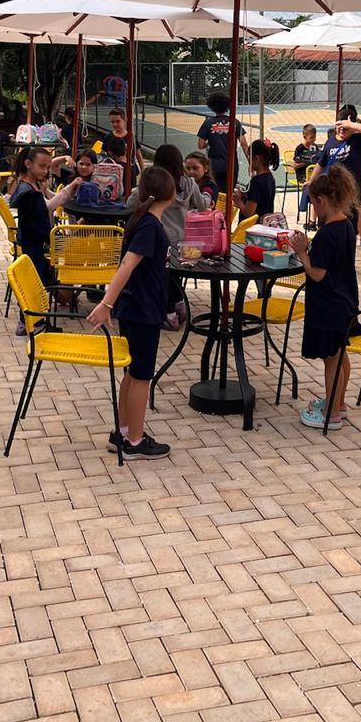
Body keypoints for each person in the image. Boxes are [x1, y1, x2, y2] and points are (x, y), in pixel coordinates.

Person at [88, 166, 175, 461]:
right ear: (170, 194)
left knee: (132, 371)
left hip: (138, 307)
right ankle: (135, 441)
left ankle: (123, 432)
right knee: (141, 376)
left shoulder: (143, 219)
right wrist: (106, 303)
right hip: (141, 310)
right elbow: (127, 264)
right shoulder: (149, 225)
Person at [289, 166, 360, 431]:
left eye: (313, 203)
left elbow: (317, 273)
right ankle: (338, 403)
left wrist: (302, 252)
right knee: (341, 356)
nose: (313, 208)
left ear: (321, 201)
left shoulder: (327, 234)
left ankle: (330, 415)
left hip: (329, 307)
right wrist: (310, 248)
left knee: (331, 360)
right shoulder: (346, 225)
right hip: (346, 302)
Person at [130, 144, 210, 329]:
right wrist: (207, 197)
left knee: (161, 276)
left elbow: (131, 204)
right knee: (175, 274)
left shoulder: (154, 182)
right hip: (184, 240)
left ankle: (169, 314)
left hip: (159, 237)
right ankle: (179, 305)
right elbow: (203, 206)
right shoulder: (189, 183)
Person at [10, 146, 83, 334]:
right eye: (41, 166)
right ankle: (30, 323)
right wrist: (50, 239)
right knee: (35, 283)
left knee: (39, 282)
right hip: (33, 244)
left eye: (47, 167)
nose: (45, 171)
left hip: (36, 242)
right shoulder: (28, 192)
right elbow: (36, 220)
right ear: (28, 164)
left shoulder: (35, 186)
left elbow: (47, 204)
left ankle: (36, 321)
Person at [319, 115, 361, 239]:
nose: (342, 129)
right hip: (332, 190)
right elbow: (320, 163)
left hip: (350, 191)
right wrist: (312, 182)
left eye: (345, 128)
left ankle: (359, 238)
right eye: (339, 126)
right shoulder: (331, 141)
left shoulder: (357, 140)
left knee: (350, 224)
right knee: (330, 223)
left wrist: (351, 125)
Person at [197, 90, 249, 196]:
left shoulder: (208, 123)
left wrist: (210, 141)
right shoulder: (235, 122)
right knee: (229, 193)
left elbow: (200, 145)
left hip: (214, 166)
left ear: (212, 107)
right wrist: (250, 162)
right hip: (231, 165)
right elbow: (244, 144)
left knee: (216, 193)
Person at [234, 140, 279, 220]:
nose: (248, 159)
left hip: (253, 226)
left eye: (249, 156)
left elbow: (249, 212)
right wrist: (245, 194)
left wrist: (238, 201)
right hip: (265, 223)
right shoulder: (270, 177)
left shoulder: (256, 182)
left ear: (257, 159)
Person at [101, 108, 145, 178]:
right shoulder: (108, 138)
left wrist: (143, 171)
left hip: (130, 171)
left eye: (118, 121)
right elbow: (103, 155)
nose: (115, 124)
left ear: (125, 120)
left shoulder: (131, 137)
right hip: (113, 173)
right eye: (112, 122)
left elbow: (138, 155)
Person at [294, 125, 322, 228]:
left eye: (314, 137)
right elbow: (295, 165)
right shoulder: (300, 148)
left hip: (314, 175)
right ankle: (312, 219)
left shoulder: (315, 148)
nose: (313, 140)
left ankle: (316, 219)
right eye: (311, 137)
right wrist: (307, 162)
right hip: (303, 176)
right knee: (313, 189)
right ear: (304, 136)